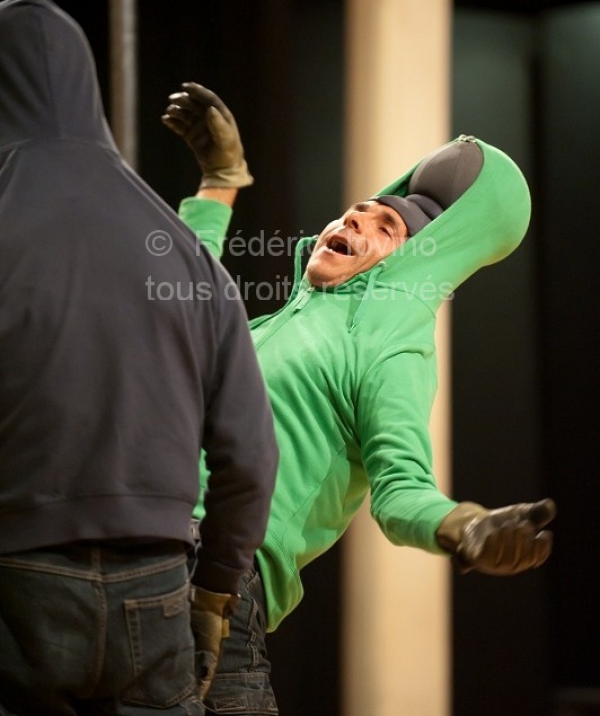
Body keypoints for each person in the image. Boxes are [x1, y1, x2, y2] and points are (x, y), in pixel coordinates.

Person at [163, 81, 557, 715]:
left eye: (387, 226)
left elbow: (401, 485)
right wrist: (219, 181)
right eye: (357, 210)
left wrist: (464, 526)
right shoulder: (275, 325)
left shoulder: (391, 347)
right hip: (143, 560)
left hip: (218, 590)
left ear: (416, 264)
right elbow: (175, 308)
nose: (353, 219)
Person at [0, 0, 278, 715]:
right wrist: (214, 592)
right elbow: (250, 454)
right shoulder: (180, 247)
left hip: (16, 572)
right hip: (158, 583)